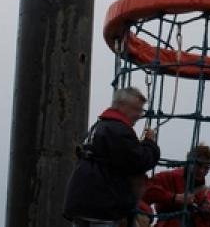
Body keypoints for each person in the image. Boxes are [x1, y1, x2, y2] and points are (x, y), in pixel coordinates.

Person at [64, 87, 161, 227]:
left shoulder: (100, 126)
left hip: (84, 203)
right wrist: (150, 143)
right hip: (101, 207)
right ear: (121, 106)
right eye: (137, 109)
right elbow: (139, 162)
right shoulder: (117, 130)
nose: (139, 115)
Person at [143, 144, 210, 227]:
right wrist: (175, 198)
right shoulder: (168, 177)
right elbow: (144, 192)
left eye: (206, 168)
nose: (201, 171)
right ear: (189, 161)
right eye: (199, 165)